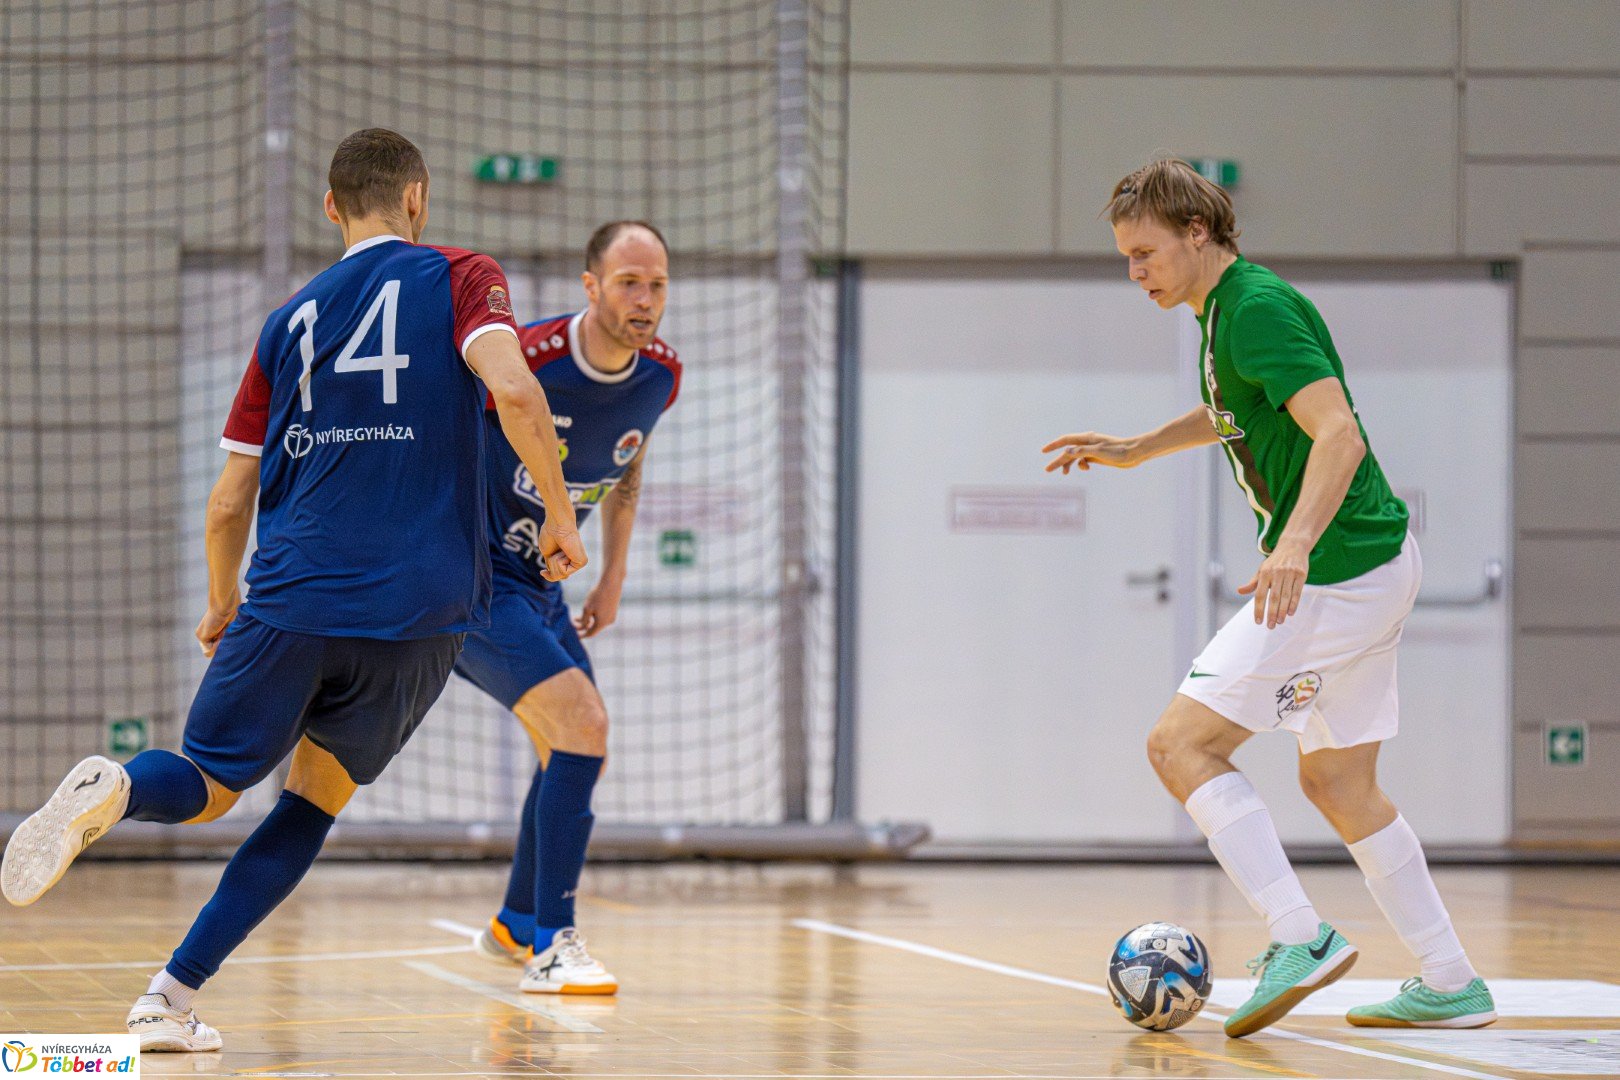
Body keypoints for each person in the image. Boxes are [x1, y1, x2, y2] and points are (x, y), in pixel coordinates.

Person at [0, 128, 585, 1051]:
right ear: (418, 198)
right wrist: (557, 512)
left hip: (290, 595)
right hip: (420, 610)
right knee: (310, 803)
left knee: (206, 783)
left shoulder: (288, 322)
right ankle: (166, 999)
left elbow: (229, 498)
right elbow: (514, 392)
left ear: (331, 207)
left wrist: (219, 601)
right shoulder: (463, 274)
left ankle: (121, 788)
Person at [1042, 159, 1494, 1038]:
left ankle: (1298, 936)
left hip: (1335, 572)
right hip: (1371, 565)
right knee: (1339, 781)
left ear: (1197, 232)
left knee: (1180, 744)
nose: (1134, 271)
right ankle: (1450, 980)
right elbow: (1238, 411)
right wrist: (1137, 447)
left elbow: (1339, 434)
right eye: (1126, 257)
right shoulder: (1223, 314)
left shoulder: (1252, 309)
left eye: (1145, 253)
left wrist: (1293, 543)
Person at [455, 221, 679, 995]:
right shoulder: (530, 357)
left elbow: (628, 461)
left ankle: (517, 924)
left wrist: (613, 574)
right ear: (591, 286)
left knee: (575, 748)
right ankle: (553, 946)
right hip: (475, 581)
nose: (644, 300)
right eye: (628, 283)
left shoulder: (662, 375)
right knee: (582, 726)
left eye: (656, 284)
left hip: (542, 585)